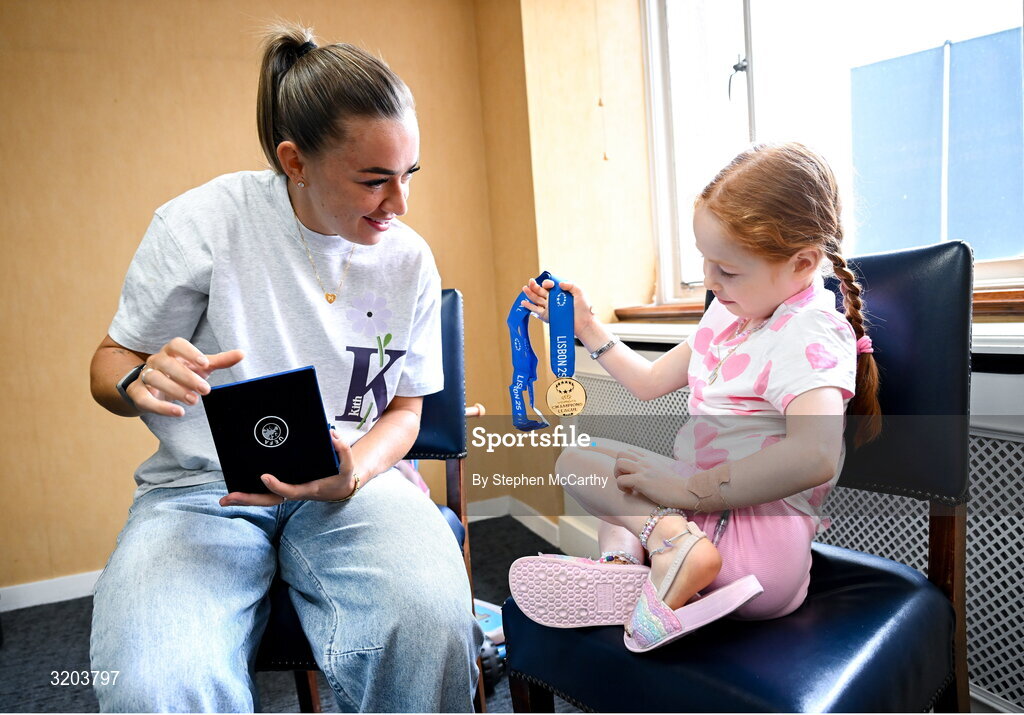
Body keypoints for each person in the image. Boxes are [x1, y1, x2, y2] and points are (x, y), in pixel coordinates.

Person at [88, 24, 481, 711]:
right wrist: (137, 377)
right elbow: (108, 363)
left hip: (354, 483)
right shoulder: (202, 224)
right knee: (153, 679)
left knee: (431, 627)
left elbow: (406, 411)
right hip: (204, 490)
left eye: (409, 175)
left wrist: (353, 469)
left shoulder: (408, 258)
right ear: (295, 161)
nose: (400, 204)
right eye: (373, 180)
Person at [508, 142, 881, 652]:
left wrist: (691, 492)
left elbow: (814, 456)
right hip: (700, 516)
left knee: (624, 492)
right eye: (706, 263)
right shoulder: (730, 315)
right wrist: (588, 328)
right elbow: (648, 382)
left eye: (727, 271)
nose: (709, 283)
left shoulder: (812, 331)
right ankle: (630, 571)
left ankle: (663, 552)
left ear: (803, 263)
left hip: (758, 548)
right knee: (579, 459)